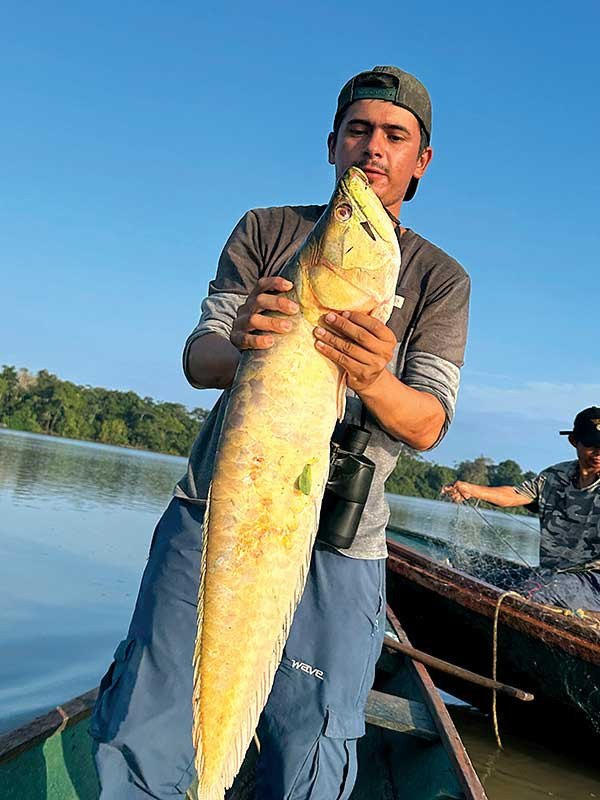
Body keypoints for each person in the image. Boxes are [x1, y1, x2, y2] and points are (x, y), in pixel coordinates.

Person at [90, 65, 470, 799]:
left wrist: (371, 378)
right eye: (358, 131)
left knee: (310, 741)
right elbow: (199, 355)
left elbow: (427, 423)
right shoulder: (267, 230)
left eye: (395, 136)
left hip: (342, 537)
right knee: (153, 712)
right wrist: (245, 344)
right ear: (332, 144)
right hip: (218, 510)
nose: (373, 148)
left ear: (421, 161)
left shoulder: (440, 279)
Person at [442, 407, 600, 613]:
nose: (598, 452)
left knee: (524, 597)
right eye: (591, 444)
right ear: (573, 441)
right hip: (551, 574)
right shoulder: (554, 476)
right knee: (481, 580)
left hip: (592, 583)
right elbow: (515, 494)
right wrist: (472, 490)